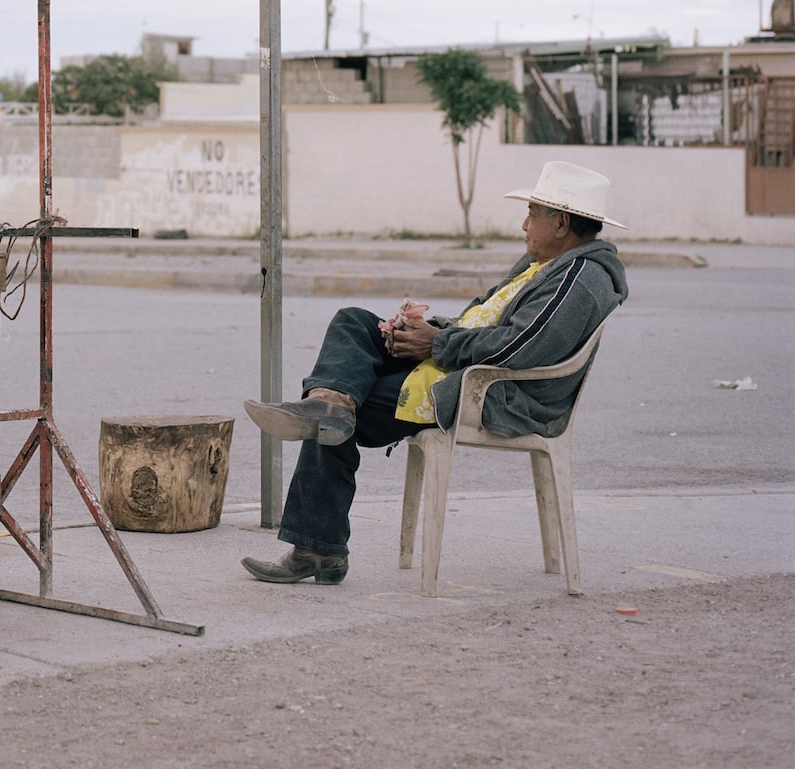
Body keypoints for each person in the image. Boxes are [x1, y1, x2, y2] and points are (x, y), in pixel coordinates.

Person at [240, 161, 627, 586]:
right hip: (463, 365)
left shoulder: (578, 279)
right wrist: (425, 329)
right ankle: (330, 404)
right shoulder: (546, 263)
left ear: (561, 223)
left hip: (498, 394)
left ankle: (318, 547)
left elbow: (515, 348)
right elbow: (483, 319)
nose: (523, 224)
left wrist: (436, 344)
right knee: (353, 325)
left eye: (532, 214)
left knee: (338, 412)